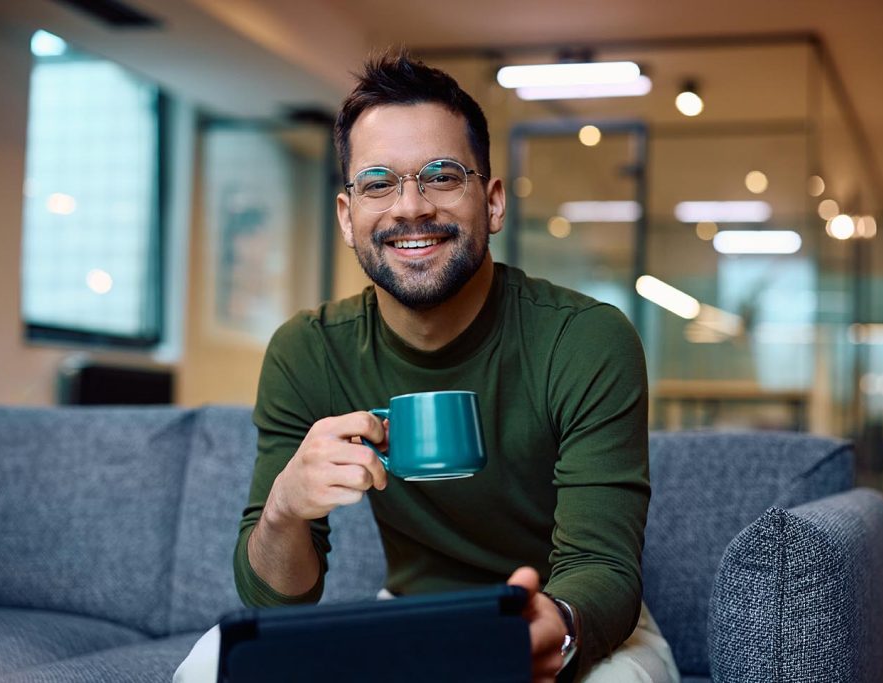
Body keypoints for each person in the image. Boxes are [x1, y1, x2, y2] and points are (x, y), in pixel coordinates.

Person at [175, 50, 679, 683]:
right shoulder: (308, 350)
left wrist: (555, 626)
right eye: (378, 183)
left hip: (573, 628)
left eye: (441, 175)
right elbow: (276, 597)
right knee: (209, 665)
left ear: (492, 202)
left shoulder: (584, 339)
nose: (409, 207)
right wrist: (284, 509)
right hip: (412, 616)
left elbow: (603, 569)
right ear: (347, 216)